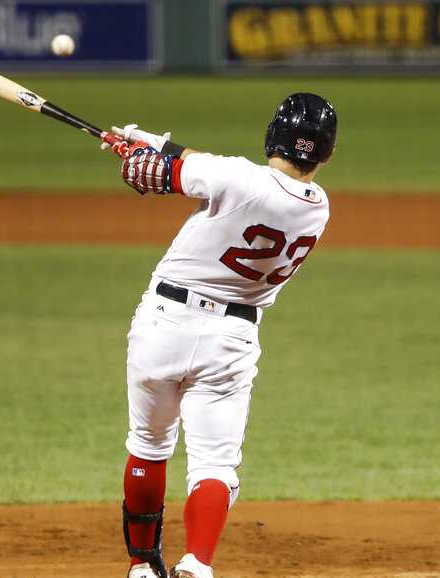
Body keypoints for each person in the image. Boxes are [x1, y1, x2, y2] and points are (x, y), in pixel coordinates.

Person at [102, 93, 337, 578]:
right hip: (231, 340)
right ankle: (198, 563)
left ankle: (142, 567)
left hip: (163, 323)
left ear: (272, 135)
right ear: (326, 154)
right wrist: (153, 144)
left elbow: (148, 176)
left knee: (148, 445)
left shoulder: (236, 176)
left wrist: (136, 155)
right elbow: (215, 172)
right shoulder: (318, 208)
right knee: (214, 467)